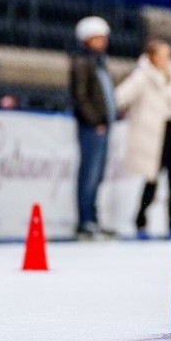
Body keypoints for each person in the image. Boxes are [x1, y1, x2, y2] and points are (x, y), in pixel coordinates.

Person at [115, 39, 171, 238]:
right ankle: (140, 219)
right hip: (152, 135)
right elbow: (120, 97)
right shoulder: (142, 77)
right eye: (163, 55)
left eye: (169, 55)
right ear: (152, 56)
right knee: (151, 179)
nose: (167, 59)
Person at [70, 17, 118, 240]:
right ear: (86, 39)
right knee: (89, 174)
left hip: (103, 125)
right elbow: (80, 97)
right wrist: (94, 120)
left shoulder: (99, 62)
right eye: (97, 38)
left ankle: (93, 219)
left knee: (97, 175)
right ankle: (86, 221)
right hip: (92, 127)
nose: (102, 42)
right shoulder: (82, 62)